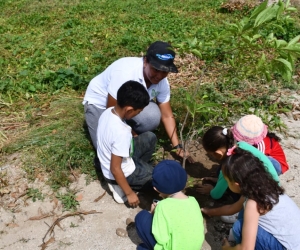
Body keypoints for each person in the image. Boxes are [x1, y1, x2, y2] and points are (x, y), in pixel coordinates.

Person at [83, 41, 193, 162]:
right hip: (101, 104)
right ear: (145, 61)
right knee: (108, 151)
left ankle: (129, 131)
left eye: (164, 72)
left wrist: (177, 147)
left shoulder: (162, 82)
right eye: (156, 69)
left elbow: (167, 116)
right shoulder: (125, 73)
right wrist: (131, 133)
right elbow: (111, 112)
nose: (159, 76)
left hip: (128, 104)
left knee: (152, 117)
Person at [202, 147, 300, 250]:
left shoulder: (253, 203)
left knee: (238, 227)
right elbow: (232, 208)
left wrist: (227, 248)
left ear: (236, 184)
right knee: (243, 216)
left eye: (227, 181)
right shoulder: (264, 188)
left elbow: (246, 248)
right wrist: (209, 211)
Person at [196, 126, 280, 223]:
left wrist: (212, 190)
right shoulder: (242, 145)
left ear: (218, 153)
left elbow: (216, 195)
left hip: (261, 195)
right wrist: (218, 180)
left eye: (211, 155)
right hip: (273, 183)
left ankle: (242, 210)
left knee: (231, 193)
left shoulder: (229, 166)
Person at [97, 80, 157, 206]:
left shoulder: (108, 112)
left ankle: (140, 172)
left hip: (115, 160)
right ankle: (122, 186)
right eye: (139, 112)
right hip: (121, 172)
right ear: (129, 110)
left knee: (150, 137)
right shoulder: (121, 132)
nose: (138, 114)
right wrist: (130, 194)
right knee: (158, 178)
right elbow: (115, 168)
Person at [135, 160, 204, 250]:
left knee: (141, 217)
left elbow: (161, 238)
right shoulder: (193, 201)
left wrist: (153, 214)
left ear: (156, 189)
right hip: (195, 247)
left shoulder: (163, 207)